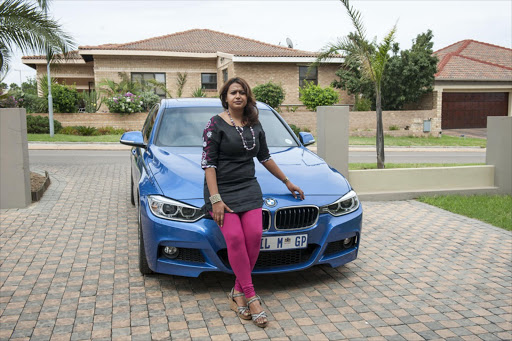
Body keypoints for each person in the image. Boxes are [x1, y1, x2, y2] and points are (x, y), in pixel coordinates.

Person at [201, 77, 305, 328]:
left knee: (255, 236)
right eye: (233, 92)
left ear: (247, 98)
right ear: (225, 97)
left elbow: (265, 157)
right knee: (235, 238)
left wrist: (286, 181)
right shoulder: (214, 125)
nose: (238, 96)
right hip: (222, 191)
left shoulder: (255, 124)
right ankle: (251, 296)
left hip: (248, 188)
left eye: (242, 93)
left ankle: (237, 292)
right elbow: (209, 164)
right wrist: (215, 200)